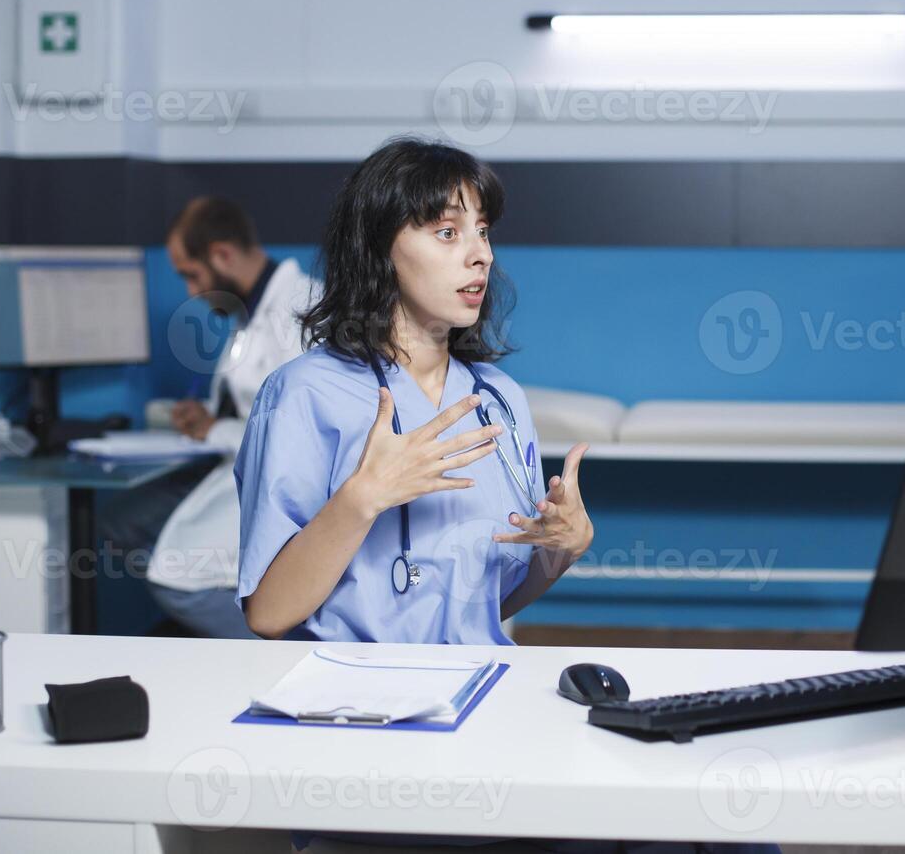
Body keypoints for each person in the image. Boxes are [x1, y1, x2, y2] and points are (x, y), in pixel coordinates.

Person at [234, 138, 777, 854]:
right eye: (447, 232)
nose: (479, 254)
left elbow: (491, 598)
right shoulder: (304, 394)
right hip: (362, 738)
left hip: (487, 710)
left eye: (484, 232)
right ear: (379, 247)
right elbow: (269, 613)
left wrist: (559, 552)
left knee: (722, 821)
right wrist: (361, 499)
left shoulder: (497, 399)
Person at [100, 195, 319, 639]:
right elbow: (247, 400)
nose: (189, 291)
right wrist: (209, 416)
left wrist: (215, 428)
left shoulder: (303, 312)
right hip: (230, 466)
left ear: (222, 254)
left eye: (191, 275)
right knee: (120, 522)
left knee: (177, 581)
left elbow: (302, 437)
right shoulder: (252, 310)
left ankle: (279, 645)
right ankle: (223, 607)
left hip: (281, 485)